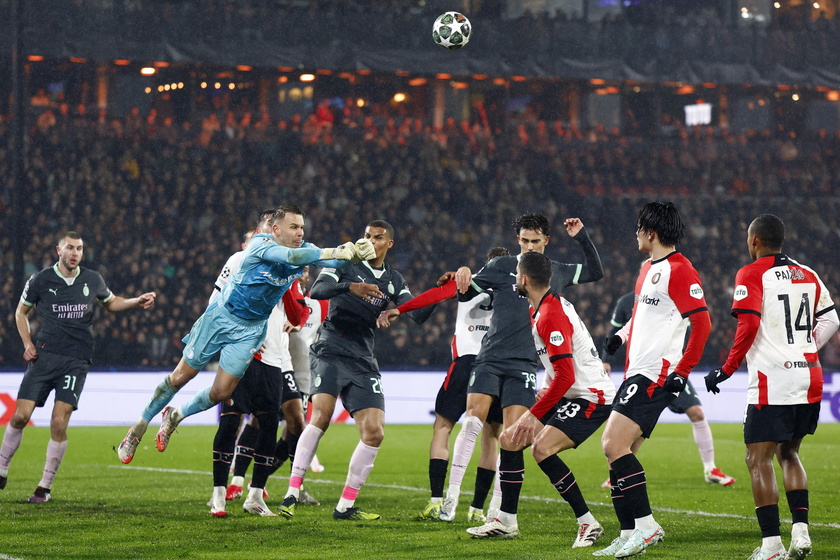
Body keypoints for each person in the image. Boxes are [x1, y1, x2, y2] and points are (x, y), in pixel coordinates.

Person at [116, 203, 375, 464]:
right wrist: (338, 251)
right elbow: (293, 258)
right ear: (276, 229)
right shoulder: (261, 244)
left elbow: (325, 258)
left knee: (221, 393)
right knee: (180, 377)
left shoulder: (304, 249)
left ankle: (175, 415)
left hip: (251, 330)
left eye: (302, 227)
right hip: (221, 318)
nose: (300, 232)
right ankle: (137, 428)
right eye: (294, 227)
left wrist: (354, 253)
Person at [278, 220, 435, 521]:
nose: (370, 241)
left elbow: (417, 314)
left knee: (374, 432)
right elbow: (318, 289)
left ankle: (345, 507)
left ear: (389, 244)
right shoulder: (345, 261)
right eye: (366, 236)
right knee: (320, 416)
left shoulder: (393, 278)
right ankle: (292, 493)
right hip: (331, 347)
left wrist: (440, 292)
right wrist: (353, 287)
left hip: (363, 356)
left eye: (377, 238)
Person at [704, 213, 838, 560]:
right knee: (789, 453)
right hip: (809, 375)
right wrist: (805, 348)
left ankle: (771, 545)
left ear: (754, 241)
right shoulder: (807, 272)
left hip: (772, 381)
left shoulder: (751, 272)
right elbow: (832, 318)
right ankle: (801, 532)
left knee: (756, 458)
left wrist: (726, 368)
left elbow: (747, 325)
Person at [468, 251, 614, 546]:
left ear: (523, 279)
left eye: (516, 277)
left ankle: (587, 523)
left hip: (592, 397)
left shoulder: (549, 315)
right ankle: (506, 520)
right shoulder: (541, 309)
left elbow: (567, 375)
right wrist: (545, 392)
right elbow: (558, 368)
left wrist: (533, 413)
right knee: (509, 439)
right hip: (569, 392)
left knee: (541, 449)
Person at [0, 231, 156, 502]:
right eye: (70, 248)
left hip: (76, 360)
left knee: (59, 422)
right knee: (19, 417)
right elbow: (20, 312)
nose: (75, 253)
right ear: (58, 250)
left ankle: (44, 487)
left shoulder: (92, 279)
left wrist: (135, 301)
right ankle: (1, 469)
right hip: (43, 357)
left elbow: (112, 303)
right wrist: (27, 342)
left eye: (80, 249)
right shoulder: (40, 280)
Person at [596, 201, 711, 558]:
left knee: (612, 445)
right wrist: (622, 336)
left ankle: (646, 527)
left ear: (652, 233)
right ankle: (629, 531)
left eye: (638, 228)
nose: (635, 234)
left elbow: (702, 324)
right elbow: (642, 316)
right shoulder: (647, 267)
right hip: (636, 370)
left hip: (655, 374)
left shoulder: (681, 270)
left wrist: (681, 373)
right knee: (619, 452)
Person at [378, 247, 510, 524]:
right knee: (491, 436)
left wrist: (399, 310)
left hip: (465, 362)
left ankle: (437, 501)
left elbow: (435, 295)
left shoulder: (467, 279)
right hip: (496, 366)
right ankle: (476, 508)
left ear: (486, 263)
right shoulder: (516, 289)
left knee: (443, 427)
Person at [600, 291, 735, 487]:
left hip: (672, 370)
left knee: (697, 412)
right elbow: (618, 329)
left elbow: (699, 323)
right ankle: (617, 475)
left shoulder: (677, 296)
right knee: (633, 429)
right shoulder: (627, 301)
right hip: (643, 372)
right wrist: (607, 359)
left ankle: (710, 468)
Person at [287, 265, 329, 472]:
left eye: (305, 271)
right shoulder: (284, 296)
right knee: (258, 421)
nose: (303, 275)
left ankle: (303, 462)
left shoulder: (319, 304)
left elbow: (321, 335)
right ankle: (240, 472)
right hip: (279, 367)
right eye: (299, 271)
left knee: (296, 421)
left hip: (304, 374)